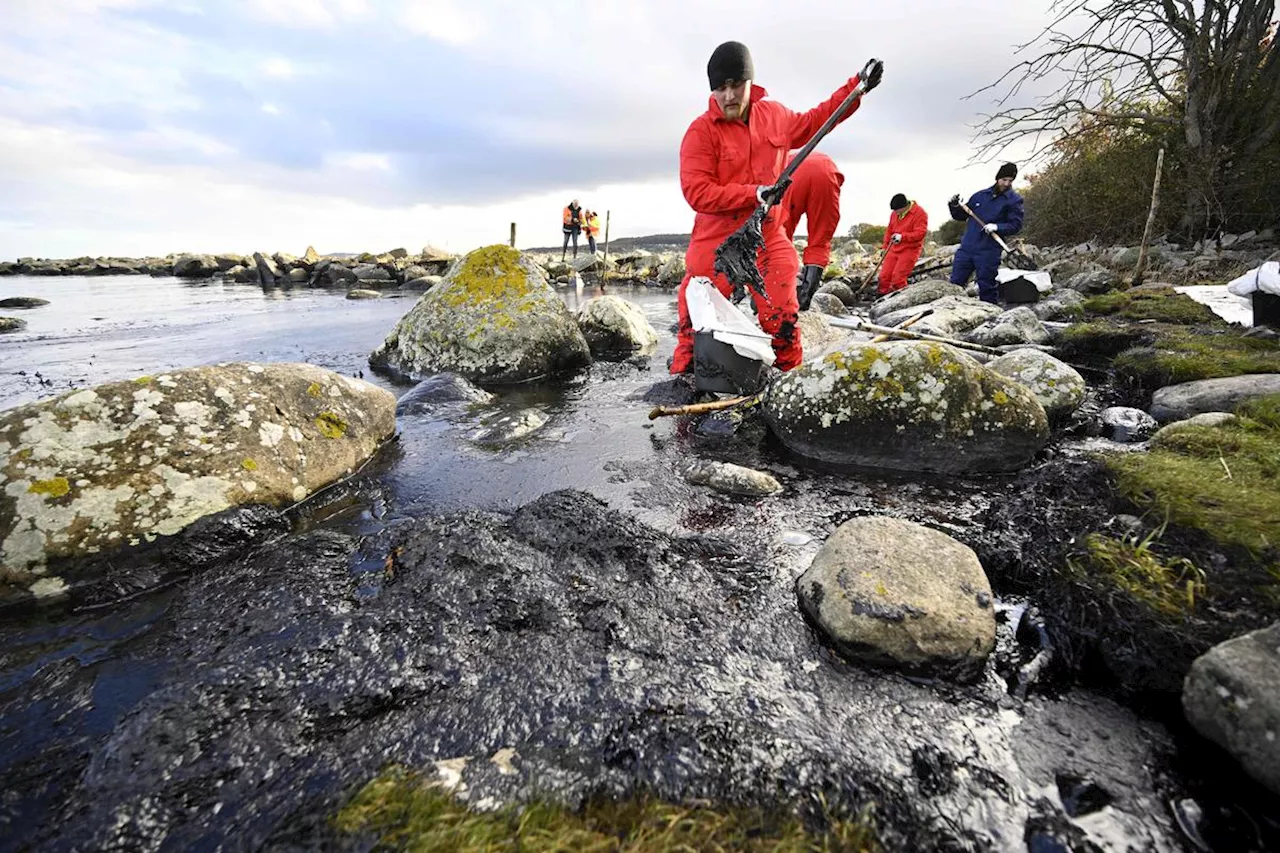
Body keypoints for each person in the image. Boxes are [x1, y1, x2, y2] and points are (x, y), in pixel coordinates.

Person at [670, 41, 882, 375]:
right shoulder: (700, 132)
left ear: (750, 82)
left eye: (736, 85)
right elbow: (697, 192)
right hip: (716, 244)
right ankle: (683, 398)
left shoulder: (775, 116)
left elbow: (818, 120)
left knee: (783, 320)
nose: (729, 96)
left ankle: (787, 386)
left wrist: (856, 88)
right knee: (694, 329)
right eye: (720, 88)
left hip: (767, 238)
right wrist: (753, 193)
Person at [948, 163, 1023, 304]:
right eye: (1004, 179)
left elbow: (1016, 225)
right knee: (955, 283)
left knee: (987, 286)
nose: (1006, 183)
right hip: (967, 247)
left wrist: (997, 227)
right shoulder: (979, 196)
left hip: (989, 250)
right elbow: (961, 216)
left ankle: (990, 316)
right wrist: (954, 206)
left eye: (1010, 180)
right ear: (997, 178)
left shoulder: (1014, 200)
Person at [779, 152, 845, 311]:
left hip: (792, 175)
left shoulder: (776, 162)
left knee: (778, 236)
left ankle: (775, 297)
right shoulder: (788, 155)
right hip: (827, 173)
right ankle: (804, 299)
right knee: (820, 239)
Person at [878, 193, 928, 295]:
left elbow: (920, 234)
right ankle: (882, 298)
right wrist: (884, 247)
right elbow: (889, 231)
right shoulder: (894, 214)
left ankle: (900, 300)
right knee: (884, 277)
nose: (895, 213)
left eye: (897, 210)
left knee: (898, 279)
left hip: (910, 249)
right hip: (893, 248)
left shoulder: (920, 213)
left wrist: (902, 237)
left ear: (904, 207)